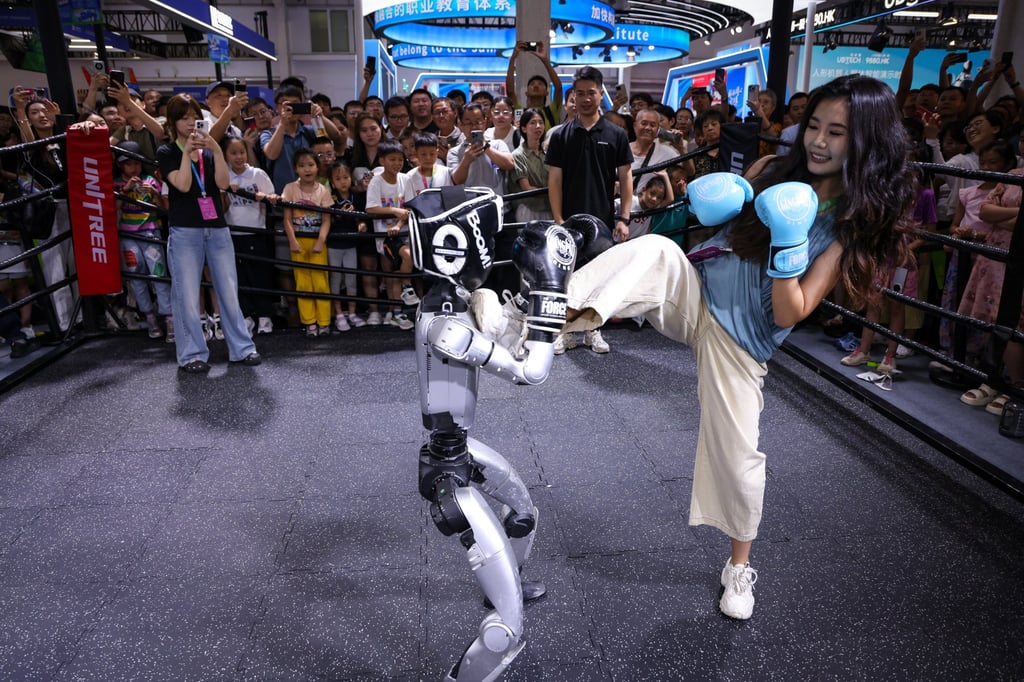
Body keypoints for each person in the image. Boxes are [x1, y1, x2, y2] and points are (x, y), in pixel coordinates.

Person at [557, 74, 915, 620]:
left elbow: (792, 311)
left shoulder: (849, 226)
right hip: (697, 294)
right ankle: (542, 316)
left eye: (837, 132)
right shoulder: (772, 171)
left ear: (866, 142)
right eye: (814, 126)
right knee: (652, 249)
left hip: (743, 343)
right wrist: (726, 208)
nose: (818, 141)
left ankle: (738, 567)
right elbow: (714, 232)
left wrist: (790, 243)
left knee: (739, 456)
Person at [157, 94, 260, 372]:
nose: (190, 123)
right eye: (184, 118)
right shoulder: (166, 152)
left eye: (194, 117)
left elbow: (223, 185)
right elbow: (182, 184)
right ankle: (192, 354)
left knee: (228, 289)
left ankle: (242, 348)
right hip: (185, 231)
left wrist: (215, 150)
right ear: (173, 122)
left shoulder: (210, 151)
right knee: (187, 296)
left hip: (216, 229)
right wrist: (186, 153)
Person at [545, 65, 633, 356]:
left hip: (604, 220)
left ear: (600, 94)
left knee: (599, 278)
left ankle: (593, 331)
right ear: (573, 95)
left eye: (591, 93)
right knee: (567, 278)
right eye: (579, 93)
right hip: (568, 221)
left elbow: (625, 177)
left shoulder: (616, 134)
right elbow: (554, 179)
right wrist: (559, 220)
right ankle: (566, 332)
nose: (585, 98)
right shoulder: (560, 135)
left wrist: (623, 218)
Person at [113, 140, 172, 340]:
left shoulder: (151, 180)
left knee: (159, 275)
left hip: (151, 233)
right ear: (120, 165)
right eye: (128, 163)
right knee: (136, 276)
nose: (133, 167)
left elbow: (164, 208)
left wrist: (154, 193)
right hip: (128, 237)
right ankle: (150, 320)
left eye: (136, 163)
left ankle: (169, 319)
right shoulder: (116, 184)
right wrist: (126, 190)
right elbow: (114, 207)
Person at [222, 135, 277, 336]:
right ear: (225, 155)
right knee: (238, 278)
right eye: (233, 153)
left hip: (256, 232)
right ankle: (245, 316)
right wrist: (225, 189)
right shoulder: (223, 175)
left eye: (242, 152)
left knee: (259, 275)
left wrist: (266, 198)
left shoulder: (257, 174)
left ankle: (265, 316)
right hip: (232, 233)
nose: (238, 157)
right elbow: (220, 205)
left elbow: (273, 197)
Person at [365, 140, 419, 330]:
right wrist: (395, 211)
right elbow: (370, 207)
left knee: (398, 270)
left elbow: (410, 207)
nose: (397, 163)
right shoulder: (376, 181)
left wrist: (398, 222)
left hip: (403, 231)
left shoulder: (406, 179)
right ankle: (403, 293)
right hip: (385, 236)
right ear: (382, 161)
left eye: (400, 159)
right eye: (392, 159)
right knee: (393, 273)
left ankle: (398, 311)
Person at [282, 148, 334, 337]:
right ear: (296, 169)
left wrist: (321, 241)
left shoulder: (323, 190)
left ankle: (324, 321)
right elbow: (286, 218)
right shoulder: (289, 189)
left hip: (317, 242)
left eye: (311, 165)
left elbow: (327, 219)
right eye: (302, 165)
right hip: (298, 241)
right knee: (303, 282)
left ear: (317, 167)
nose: (307, 169)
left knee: (320, 282)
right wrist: (292, 241)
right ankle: (309, 322)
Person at [326, 160, 367, 331]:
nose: (343, 181)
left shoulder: (356, 196)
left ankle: (351, 312)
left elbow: (361, 216)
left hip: (351, 243)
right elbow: (327, 219)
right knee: (335, 280)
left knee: (351, 279)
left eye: (345, 177)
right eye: (338, 178)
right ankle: (338, 314)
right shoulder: (329, 198)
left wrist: (362, 223)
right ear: (332, 181)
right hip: (334, 244)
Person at [446, 102, 513, 193]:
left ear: (485, 122)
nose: (474, 127)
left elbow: (509, 164)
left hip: (496, 202)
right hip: (470, 204)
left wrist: (486, 147)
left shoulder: (498, 144)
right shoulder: (454, 152)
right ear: (460, 125)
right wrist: (466, 160)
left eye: (478, 121)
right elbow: (457, 181)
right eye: (468, 123)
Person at [505, 40, 563, 131]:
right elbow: (510, 91)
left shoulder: (552, 111)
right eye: (532, 84)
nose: (536, 86)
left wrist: (545, 60)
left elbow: (558, 87)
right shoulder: (520, 111)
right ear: (526, 93)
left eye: (540, 84)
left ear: (547, 92)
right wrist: (513, 58)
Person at [508, 108, 552, 223]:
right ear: (523, 128)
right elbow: (526, 188)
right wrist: (554, 191)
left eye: (541, 122)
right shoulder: (518, 155)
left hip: (550, 207)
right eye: (533, 123)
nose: (538, 126)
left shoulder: (548, 152)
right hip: (529, 209)